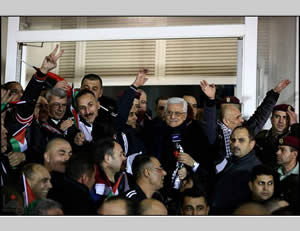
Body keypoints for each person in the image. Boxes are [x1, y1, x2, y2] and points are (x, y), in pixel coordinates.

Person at [214, 80, 291, 173]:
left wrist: (274, 94)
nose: (242, 120)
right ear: (226, 121)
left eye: (241, 140)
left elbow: (259, 117)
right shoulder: (214, 133)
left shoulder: (244, 129)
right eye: (237, 117)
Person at [210, 126, 261, 215]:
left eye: (241, 140)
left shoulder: (254, 169)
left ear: (252, 144)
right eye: (233, 140)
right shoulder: (233, 161)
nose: (235, 144)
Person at [256, 104, 299, 168]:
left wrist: (294, 125)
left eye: (285, 118)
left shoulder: (294, 138)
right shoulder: (260, 136)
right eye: (277, 117)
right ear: (271, 119)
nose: (281, 121)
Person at [91, 138, 129, 207]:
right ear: (107, 158)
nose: (124, 158)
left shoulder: (124, 179)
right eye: (120, 154)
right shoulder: (92, 186)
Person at [276, 136, 299, 213]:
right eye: (278, 149)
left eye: (282, 150)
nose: (277, 152)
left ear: (294, 154)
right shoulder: (271, 171)